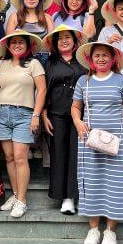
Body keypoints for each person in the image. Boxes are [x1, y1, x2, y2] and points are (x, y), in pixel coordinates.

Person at [71, 42, 123, 244]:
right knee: (92, 182)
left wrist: (117, 127)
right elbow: (75, 107)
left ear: (113, 59)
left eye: (105, 56)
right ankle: (93, 230)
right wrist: (78, 122)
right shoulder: (84, 81)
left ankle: (110, 231)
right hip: (89, 141)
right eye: (97, 56)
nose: (101, 59)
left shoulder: (122, 80)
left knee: (115, 184)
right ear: (91, 59)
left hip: (115, 143)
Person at [0, 31, 47, 218]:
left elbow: (41, 90)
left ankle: (22, 200)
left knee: (20, 157)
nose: (16, 45)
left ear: (28, 46)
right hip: (3, 113)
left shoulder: (34, 64)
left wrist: (36, 115)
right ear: (8, 46)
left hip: (24, 114)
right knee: (8, 158)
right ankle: (15, 196)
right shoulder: (2, 64)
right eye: (13, 42)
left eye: (20, 42)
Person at [41, 25, 87, 215]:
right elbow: (42, 89)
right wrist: (43, 114)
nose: (64, 41)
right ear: (54, 43)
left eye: (68, 37)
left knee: (76, 155)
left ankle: (73, 196)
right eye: (60, 39)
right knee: (58, 154)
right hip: (56, 114)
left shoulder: (83, 61)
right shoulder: (49, 62)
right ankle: (62, 197)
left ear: (75, 41)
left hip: (81, 116)